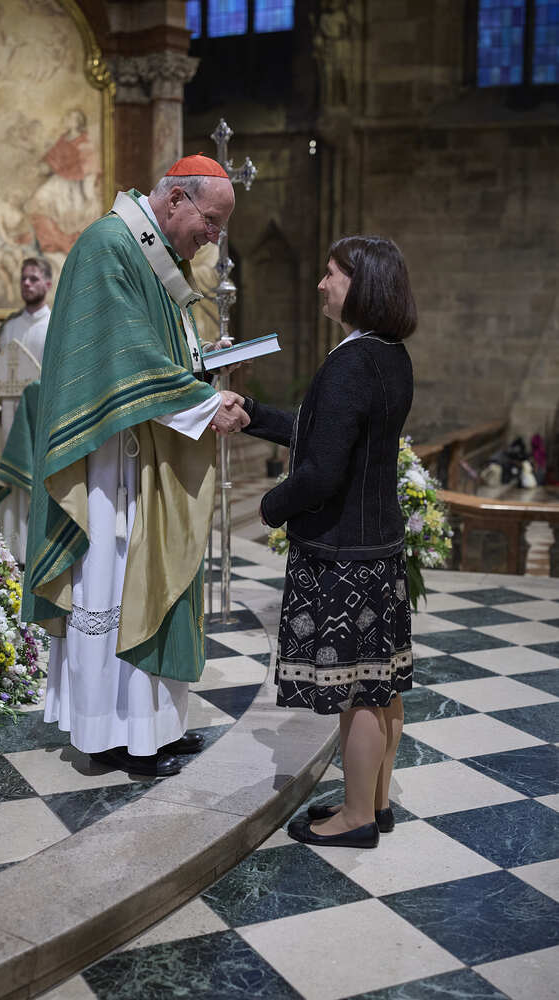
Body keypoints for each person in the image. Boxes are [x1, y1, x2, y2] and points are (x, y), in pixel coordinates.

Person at [21, 154, 250, 778]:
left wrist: (205, 361)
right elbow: (124, 357)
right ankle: (109, 735)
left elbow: (158, 348)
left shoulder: (156, 253)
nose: (213, 237)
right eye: (210, 221)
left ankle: (154, 728)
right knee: (113, 584)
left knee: (150, 585)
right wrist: (206, 402)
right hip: (110, 463)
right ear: (176, 200)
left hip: (149, 448)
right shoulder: (109, 245)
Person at [242, 235, 416, 848]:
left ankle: (356, 818)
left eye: (332, 274)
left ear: (361, 285)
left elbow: (320, 471)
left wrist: (270, 507)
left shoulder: (350, 362)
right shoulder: (389, 354)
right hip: (378, 547)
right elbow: (325, 432)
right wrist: (254, 414)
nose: (321, 283)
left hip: (344, 555)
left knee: (358, 691)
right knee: (381, 684)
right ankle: (377, 801)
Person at [0, 257, 53, 562]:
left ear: (47, 284)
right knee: (10, 486)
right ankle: (9, 554)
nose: (27, 284)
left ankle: (37, 555)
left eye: (34, 278)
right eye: (23, 278)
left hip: (39, 423)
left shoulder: (54, 325)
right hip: (7, 421)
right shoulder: (8, 327)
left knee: (36, 485)